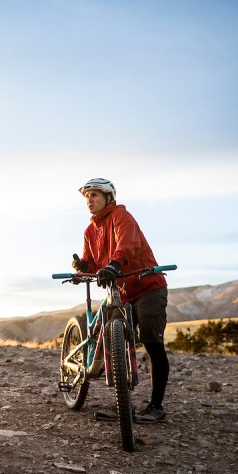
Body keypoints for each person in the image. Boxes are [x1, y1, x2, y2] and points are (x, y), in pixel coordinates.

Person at [72, 177, 169, 423]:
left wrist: (114, 264)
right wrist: (83, 267)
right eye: (87, 196)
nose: (89, 200)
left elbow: (127, 245)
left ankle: (156, 406)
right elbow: (92, 263)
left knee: (152, 343)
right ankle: (122, 405)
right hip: (121, 293)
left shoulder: (121, 216)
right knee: (115, 345)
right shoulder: (90, 231)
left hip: (148, 286)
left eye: (94, 195)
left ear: (108, 197)